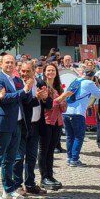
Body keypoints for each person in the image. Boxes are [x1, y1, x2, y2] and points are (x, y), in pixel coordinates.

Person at [0, 53, 25, 199]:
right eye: (7, 62)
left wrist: (29, 91)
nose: (9, 65)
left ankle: (8, 189)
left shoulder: (16, 79)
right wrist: (23, 91)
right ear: (1, 64)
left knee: (11, 158)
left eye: (12, 63)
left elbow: (24, 97)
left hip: (17, 122)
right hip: (3, 124)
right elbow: (2, 100)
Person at [62, 68, 100, 167]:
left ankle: (69, 158)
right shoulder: (89, 83)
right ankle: (74, 160)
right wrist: (98, 86)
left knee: (69, 136)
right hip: (78, 113)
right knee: (79, 137)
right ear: (93, 76)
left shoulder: (75, 81)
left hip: (66, 112)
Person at [34, 62, 65, 190]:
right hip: (46, 121)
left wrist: (62, 100)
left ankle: (50, 175)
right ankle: (44, 177)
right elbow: (48, 106)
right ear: (44, 72)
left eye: (53, 70)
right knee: (44, 150)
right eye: (48, 71)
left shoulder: (58, 87)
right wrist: (59, 100)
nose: (51, 73)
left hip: (57, 122)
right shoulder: (42, 86)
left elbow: (64, 107)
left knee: (51, 150)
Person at [15, 58, 43, 196]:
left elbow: (47, 102)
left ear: (34, 71)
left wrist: (45, 98)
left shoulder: (40, 83)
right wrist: (37, 98)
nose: (24, 74)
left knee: (32, 156)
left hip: (36, 124)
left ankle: (30, 183)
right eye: (22, 71)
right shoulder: (18, 84)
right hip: (23, 124)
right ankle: (17, 185)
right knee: (19, 157)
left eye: (28, 71)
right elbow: (25, 102)